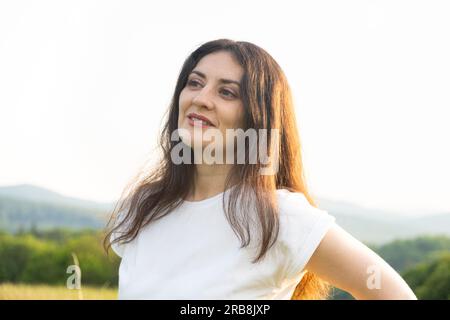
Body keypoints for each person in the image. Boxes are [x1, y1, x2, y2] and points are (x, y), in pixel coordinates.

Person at [104, 39, 417, 300]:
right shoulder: (144, 207)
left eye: (226, 92)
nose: (201, 98)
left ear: (257, 116)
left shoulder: (279, 216)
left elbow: (390, 292)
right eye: (195, 83)